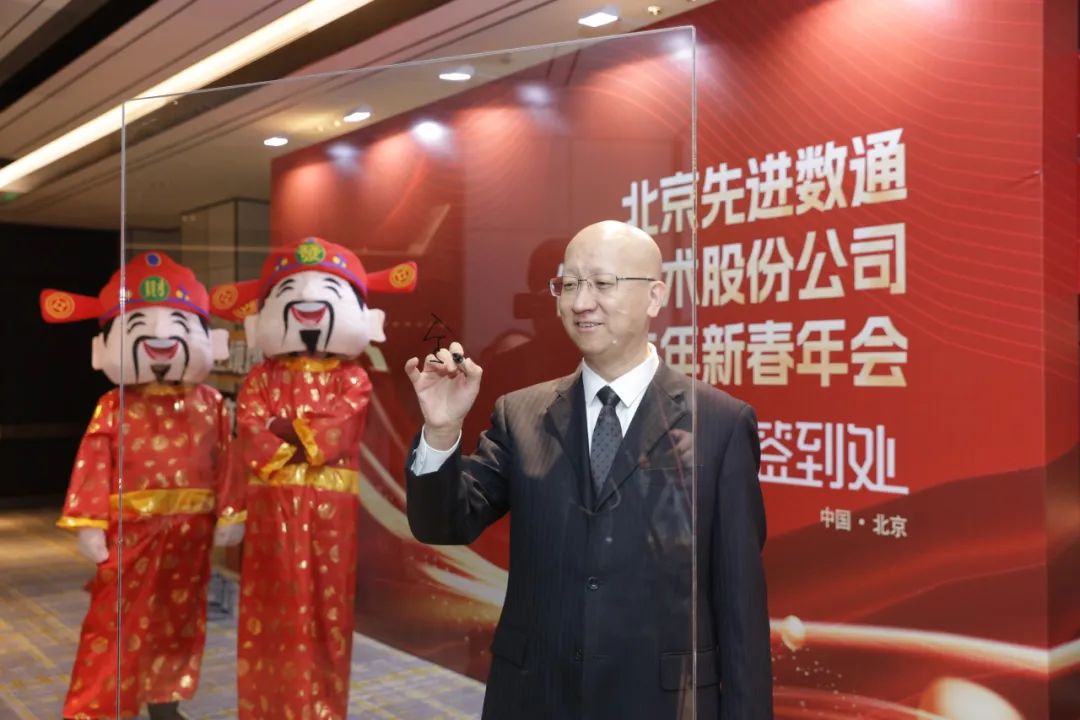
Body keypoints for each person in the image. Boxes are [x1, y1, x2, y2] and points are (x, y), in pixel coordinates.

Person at [404, 220, 773, 719]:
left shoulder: (719, 423)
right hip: (535, 696)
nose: (580, 302)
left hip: (662, 702)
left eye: (602, 283)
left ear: (655, 297)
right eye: (568, 284)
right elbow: (443, 524)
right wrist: (442, 430)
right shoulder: (521, 414)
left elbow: (740, 603)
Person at [209, 237, 417, 720]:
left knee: (328, 612)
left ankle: (321, 709)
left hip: (330, 519)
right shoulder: (260, 378)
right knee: (269, 609)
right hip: (269, 513)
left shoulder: (353, 378)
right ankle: (267, 709)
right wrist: (298, 436)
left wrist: (283, 428)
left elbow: (338, 432)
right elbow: (250, 437)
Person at [41, 251, 240, 720]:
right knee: (115, 621)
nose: (161, 339)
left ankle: (165, 703)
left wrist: (232, 512)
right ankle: (99, 707)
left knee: (179, 623)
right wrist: (90, 523)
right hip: (129, 533)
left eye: (178, 325)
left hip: (191, 535)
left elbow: (228, 462)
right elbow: (93, 462)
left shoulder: (211, 403)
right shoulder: (113, 405)